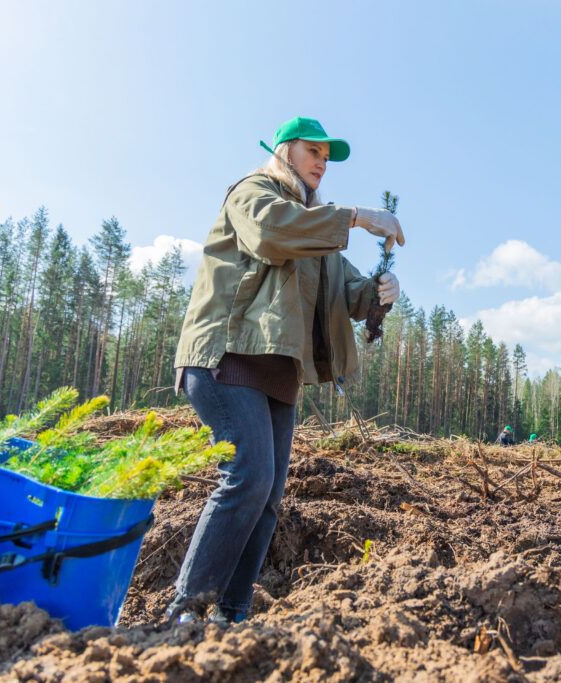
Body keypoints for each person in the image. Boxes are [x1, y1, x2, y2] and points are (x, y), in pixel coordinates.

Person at [168, 116, 405, 625]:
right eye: (312, 150)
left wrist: (382, 292)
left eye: (327, 155)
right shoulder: (254, 193)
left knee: (267, 498)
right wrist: (360, 217)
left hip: (278, 374)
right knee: (247, 479)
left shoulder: (316, 229)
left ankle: (230, 616)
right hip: (227, 357)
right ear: (283, 152)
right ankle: (185, 611)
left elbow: (350, 294)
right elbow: (271, 233)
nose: (322, 161)